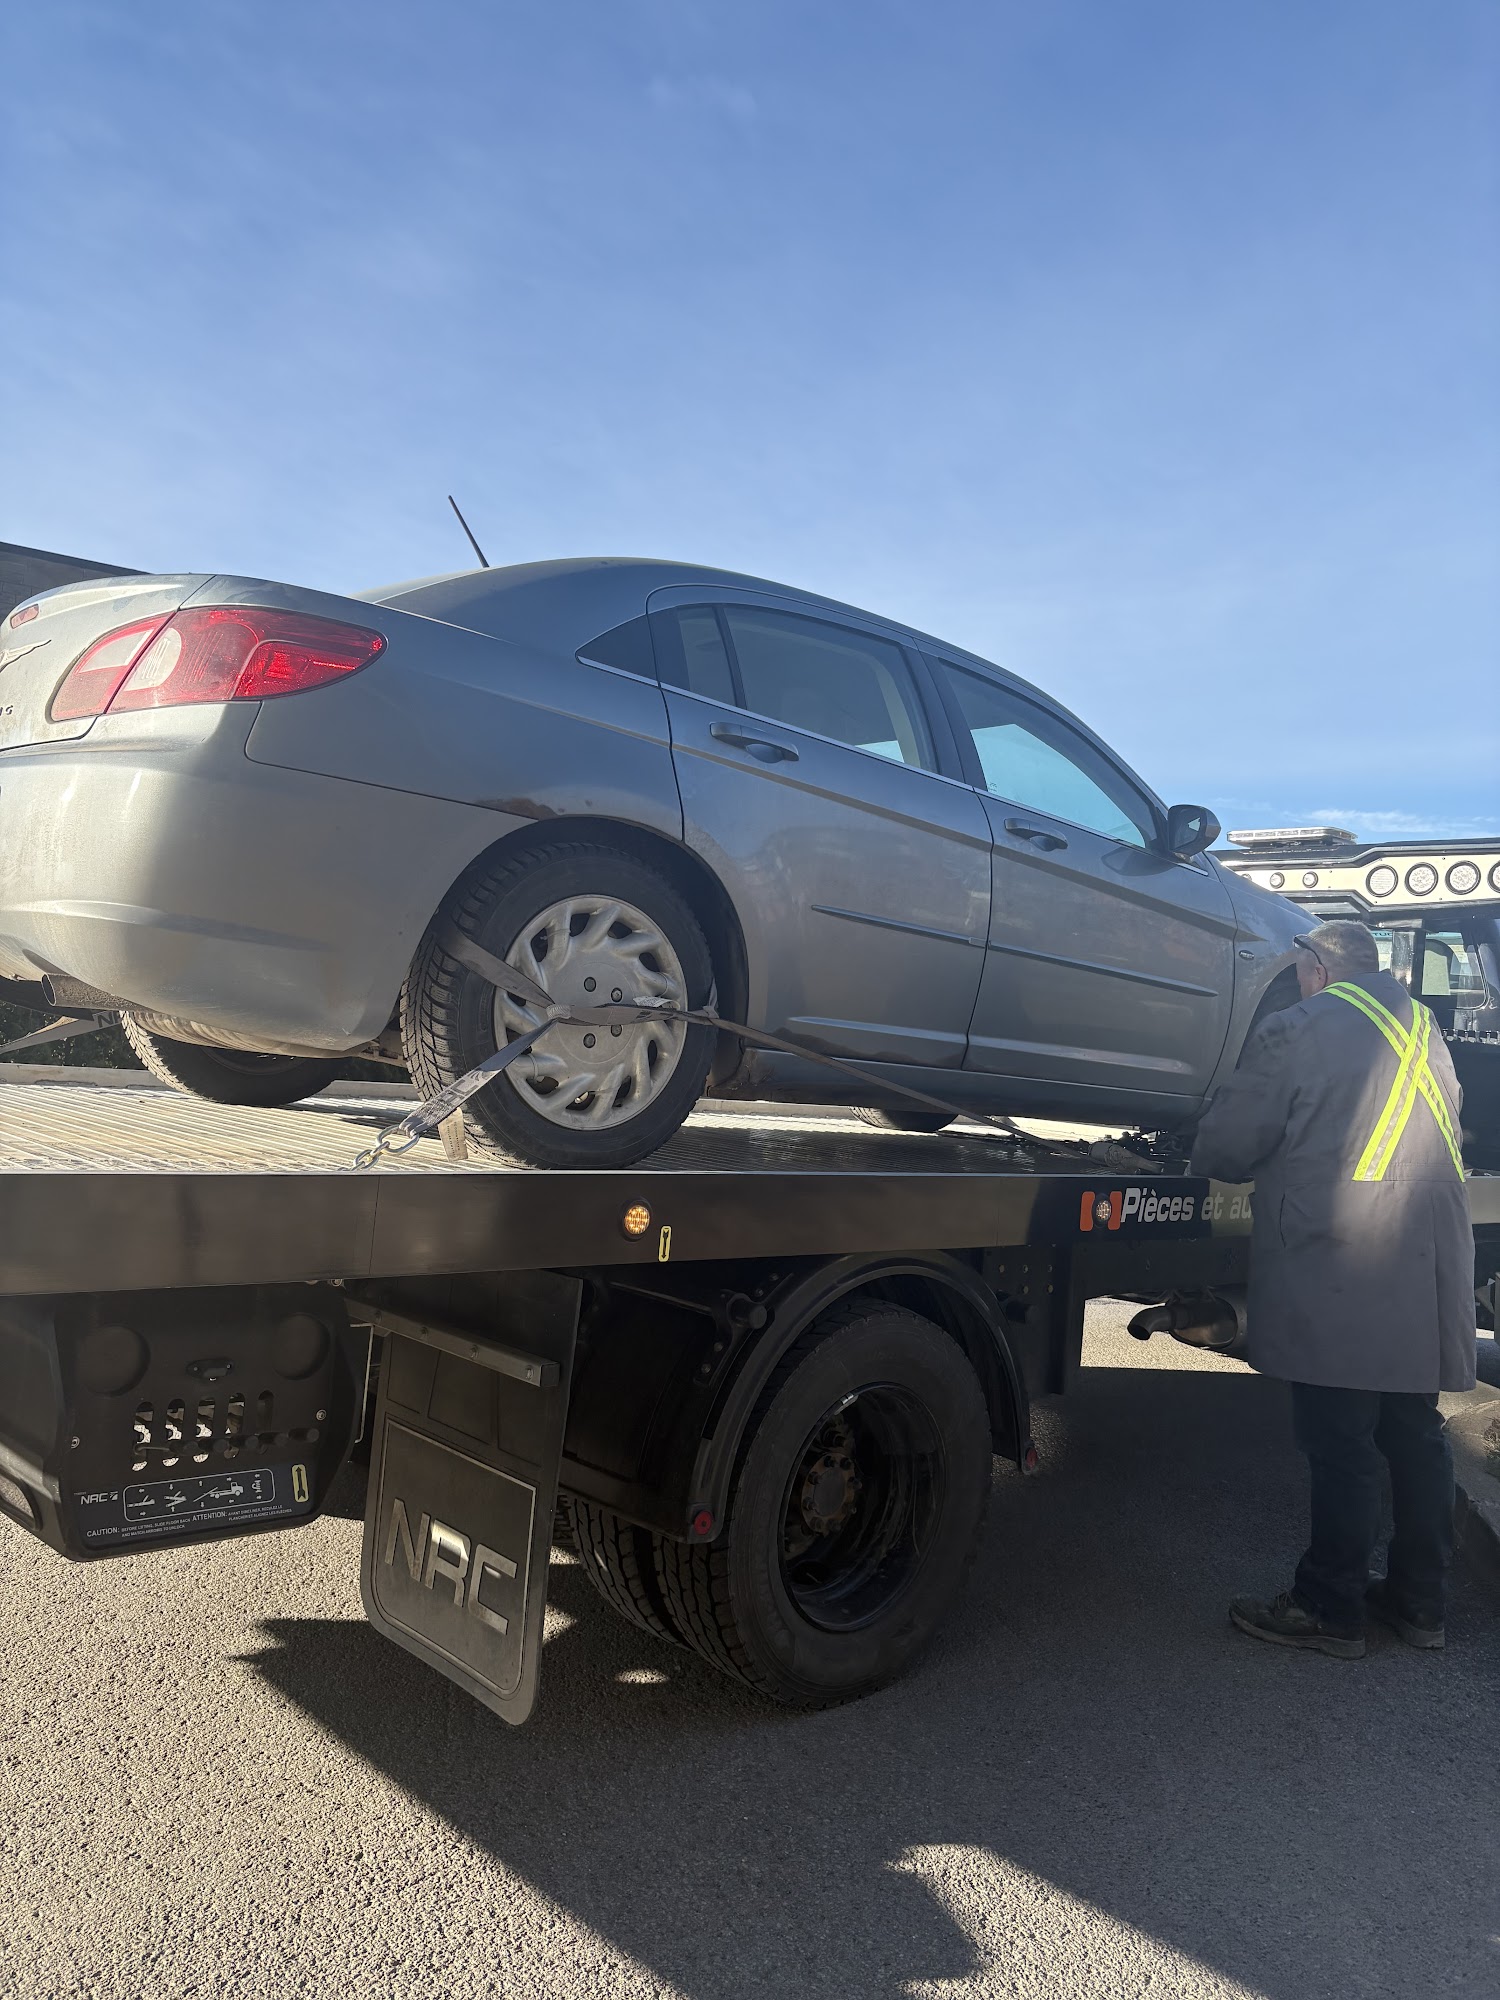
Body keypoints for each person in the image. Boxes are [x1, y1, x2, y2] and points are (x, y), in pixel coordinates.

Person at [1190, 919, 1476, 1658]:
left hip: (1346, 1257)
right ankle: (1421, 1604)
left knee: (1340, 1437)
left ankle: (1330, 1605)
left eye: (1298, 970)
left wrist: (1197, 1151)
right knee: (1413, 1431)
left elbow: (1232, 1142)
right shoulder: (1425, 1029)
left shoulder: (1300, 1025)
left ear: (1317, 967)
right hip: (1428, 1255)